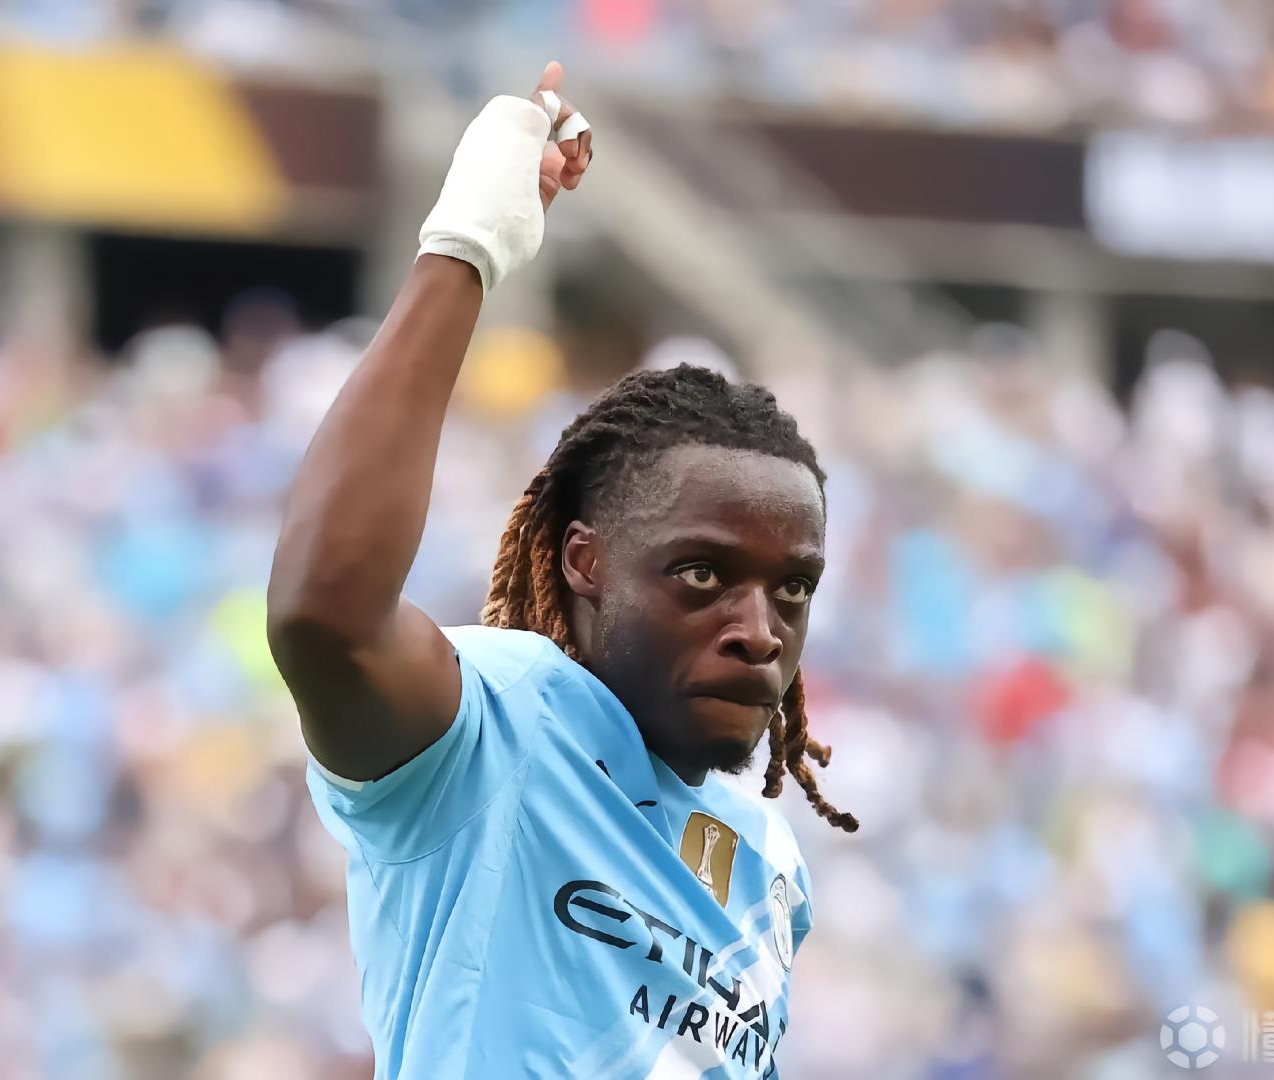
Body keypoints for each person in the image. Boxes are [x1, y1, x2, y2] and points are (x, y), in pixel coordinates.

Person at [267, 61, 856, 1080]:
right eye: (702, 575)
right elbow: (326, 615)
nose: (760, 630)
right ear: (585, 562)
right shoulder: (491, 735)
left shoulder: (769, 863)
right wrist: (465, 248)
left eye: (792, 588)